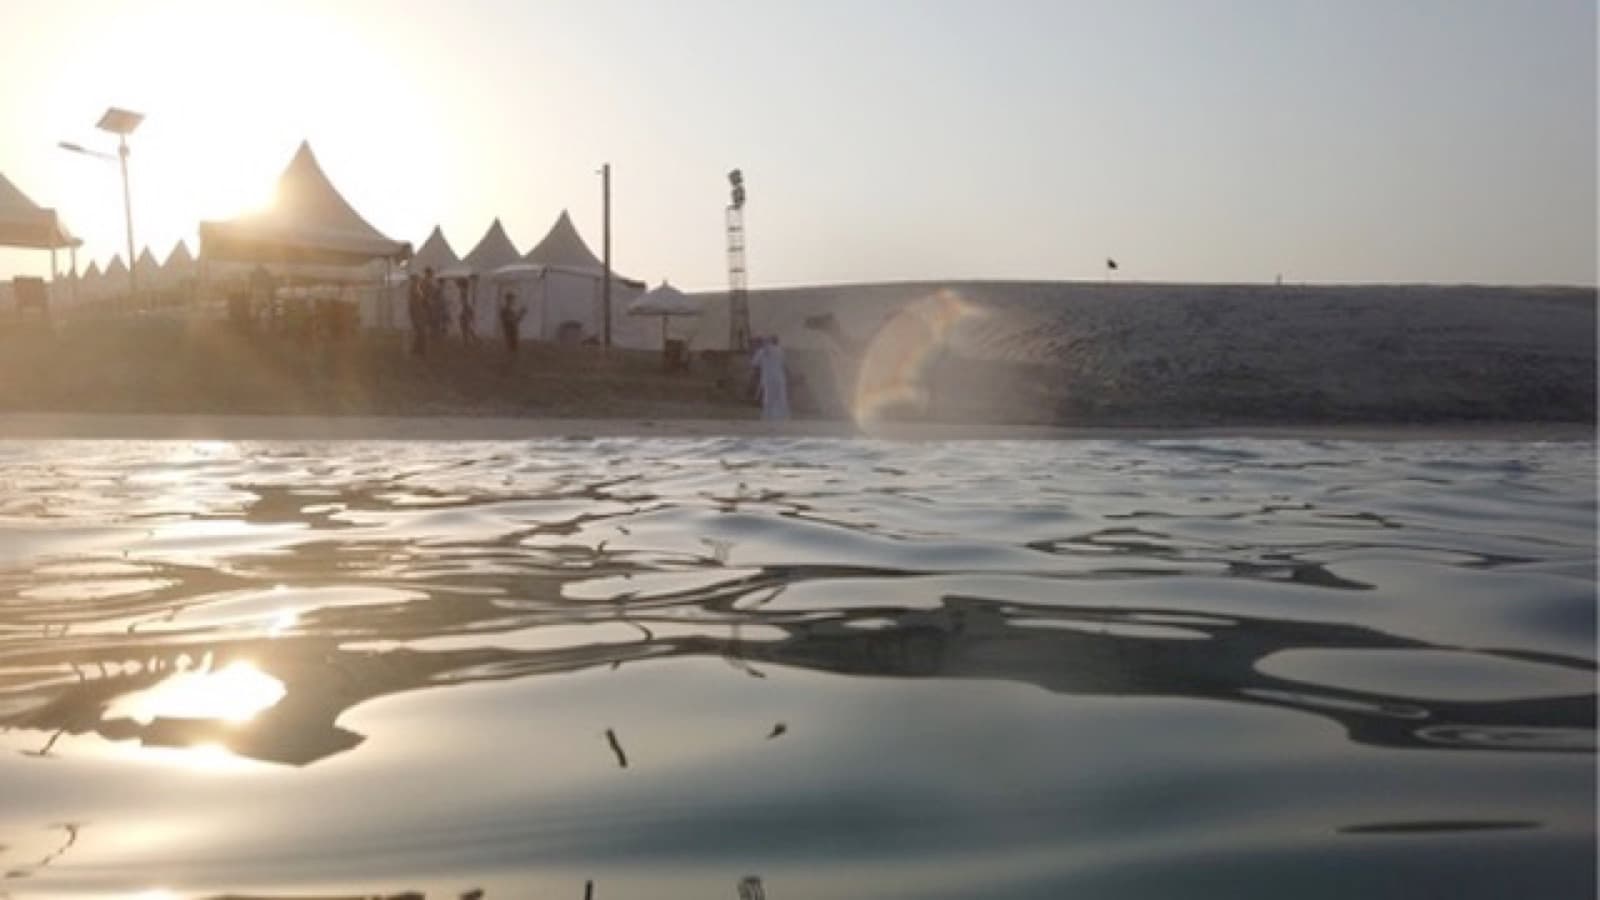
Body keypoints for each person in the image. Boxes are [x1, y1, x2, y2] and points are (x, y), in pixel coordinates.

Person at [754, 334, 790, 420]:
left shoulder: (762, 351)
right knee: (781, 398)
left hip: (768, 379)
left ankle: (768, 416)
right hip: (779, 378)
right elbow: (784, 365)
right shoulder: (780, 351)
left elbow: (754, 363)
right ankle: (782, 417)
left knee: (769, 398)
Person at [498, 290, 526, 355]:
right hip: (509, 333)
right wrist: (521, 313)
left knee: (514, 350)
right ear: (507, 300)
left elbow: (516, 321)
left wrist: (522, 313)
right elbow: (511, 321)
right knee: (510, 350)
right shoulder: (504, 310)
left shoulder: (511, 311)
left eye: (513, 299)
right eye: (512, 299)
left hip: (514, 333)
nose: (513, 301)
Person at [406, 273, 427, 356]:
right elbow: (420, 299)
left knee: (420, 332)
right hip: (417, 313)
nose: (419, 281)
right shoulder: (414, 288)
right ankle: (419, 350)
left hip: (418, 313)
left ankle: (417, 349)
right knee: (421, 332)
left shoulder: (416, 288)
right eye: (417, 279)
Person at [457, 276, 476, 344]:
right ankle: (469, 340)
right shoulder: (465, 291)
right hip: (466, 310)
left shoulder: (464, 292)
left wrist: (466, 311)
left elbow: (465, 302)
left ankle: (469, 340)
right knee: (466, 326)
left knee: (465, 326)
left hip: (466, 310)